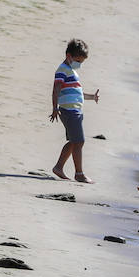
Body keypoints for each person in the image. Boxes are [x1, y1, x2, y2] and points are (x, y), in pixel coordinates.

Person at [49, 38, 99, 183]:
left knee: (74, 141)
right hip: (69, 111)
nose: (80, 64)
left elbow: (76, 92)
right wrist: (54, 108)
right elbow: (56, 90)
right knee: (79, 141)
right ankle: (79, 173)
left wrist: (92, 97)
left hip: (75, 110)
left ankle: (59, 167)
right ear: (68, 56)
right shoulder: (62, 70)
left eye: (82, 62)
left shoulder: (71, 71)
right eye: (78, 61)